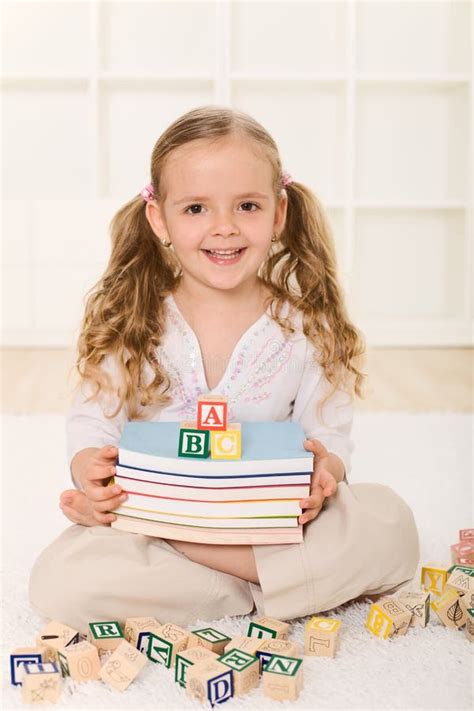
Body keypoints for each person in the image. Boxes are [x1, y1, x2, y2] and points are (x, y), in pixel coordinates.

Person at [29, 106, 419, 632]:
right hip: (158, 515)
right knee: (59, 581)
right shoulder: (134, 320)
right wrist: (88, 471)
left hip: (268, 519)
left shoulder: (305, 327)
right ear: (159, 219)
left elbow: (329, 430)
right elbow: (93, 419)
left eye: (247, 205)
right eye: (195, 208)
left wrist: (328, 473)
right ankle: (268, 585)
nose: (224, 228)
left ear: (278, 214)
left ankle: (225, 579)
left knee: (392, 525)